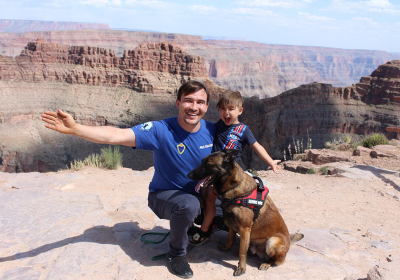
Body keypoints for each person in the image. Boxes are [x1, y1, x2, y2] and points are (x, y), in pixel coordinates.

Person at [41, 81, 215, 279]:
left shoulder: (211, 130)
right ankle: (176, 254)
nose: (194, 107)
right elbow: (116, 134)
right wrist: (76, 129)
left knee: (237, 200)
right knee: (189, 205)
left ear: (207, 106)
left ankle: (200, 227)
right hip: (164, 196)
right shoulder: (161, 130)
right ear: (177, 103)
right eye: (188, 101)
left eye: (200, 102)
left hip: (203, 195)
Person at [189, 90, 281, 246]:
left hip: (226, 176)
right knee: (202, 193)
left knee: (210, 198)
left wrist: (271, 161)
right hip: (213, 172)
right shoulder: (217, 126)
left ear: (240, 110)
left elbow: (256, 146)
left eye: (231, 109)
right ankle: (212, 222)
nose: (226, 113)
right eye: (222, 109)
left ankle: (205, 230)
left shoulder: (243, 130)